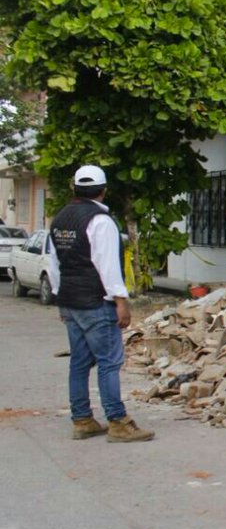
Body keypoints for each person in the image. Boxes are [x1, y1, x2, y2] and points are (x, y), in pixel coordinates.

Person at [48, 165, 154, 442]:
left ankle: (82, 419)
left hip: (70, 301)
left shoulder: (59, 218)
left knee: (79, 363)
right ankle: (118, 421)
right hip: (96, 301)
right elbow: (107, 266)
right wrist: (121, 301)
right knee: (109, 362)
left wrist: (61, 298)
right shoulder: (101, 221)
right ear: (103, 190)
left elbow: (54, 263)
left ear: (74, 189)